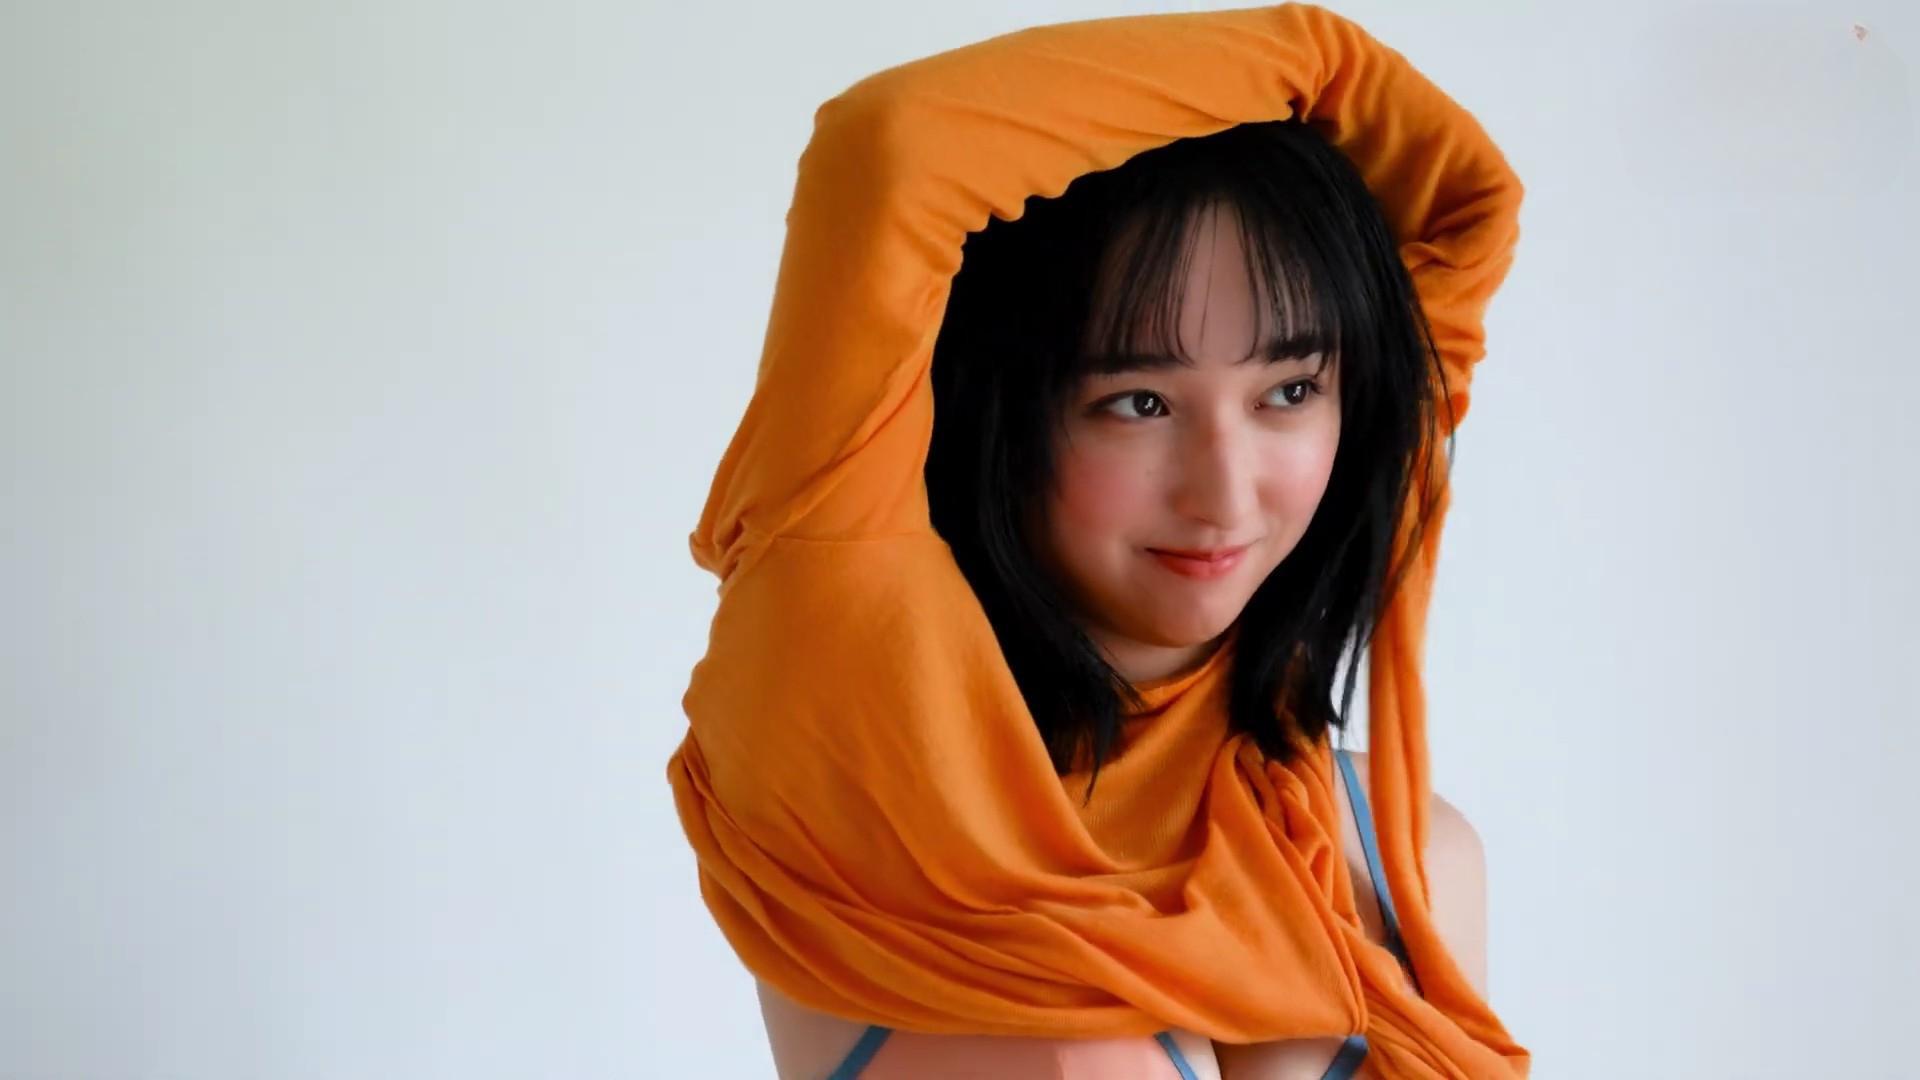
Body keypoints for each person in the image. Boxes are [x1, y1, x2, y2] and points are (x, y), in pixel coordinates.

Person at [666, 6, 1529, 1077]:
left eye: (1290, 391)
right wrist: (1317, 53)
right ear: (995, 410)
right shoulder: (867, 727)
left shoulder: (1408, 853)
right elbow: (888, 147)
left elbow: (1467, 214)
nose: (1226, 493)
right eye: (1138, 403)